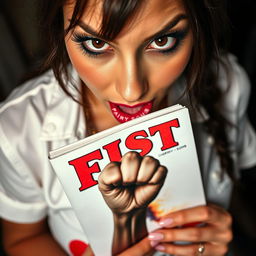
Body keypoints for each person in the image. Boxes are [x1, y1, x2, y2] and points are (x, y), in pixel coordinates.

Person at [0, 0, 256, 255]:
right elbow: (22, 239)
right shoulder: (19, 129)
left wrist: (213, 232)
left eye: (162, 41)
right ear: (60, 27)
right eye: (97, 44)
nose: (131, 91)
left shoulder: (228, 85)